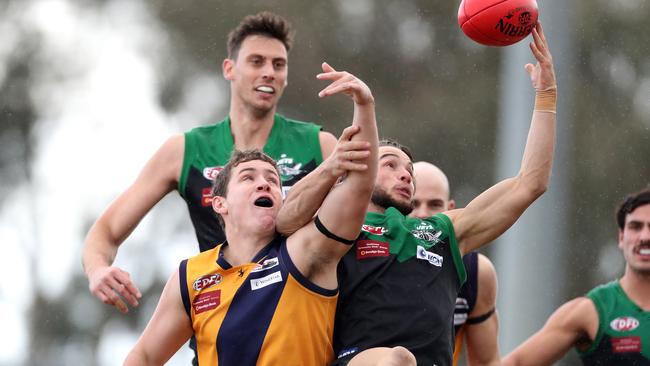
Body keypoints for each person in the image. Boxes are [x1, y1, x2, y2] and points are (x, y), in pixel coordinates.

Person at [278, 22, 557, 366]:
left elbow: (531, 183)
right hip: (359, 361)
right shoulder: (335, 230)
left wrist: (546, 96)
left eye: (409, 170)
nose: (405, 174)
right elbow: (285, 219)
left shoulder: (440, 233)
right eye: (391, 164)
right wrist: (334, 165)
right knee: (397, 361)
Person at [82, 11, 365, 313]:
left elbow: (358, 223)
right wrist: (98, 269)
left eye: (278, 64)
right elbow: (106, 231)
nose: (269, 72)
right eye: (256, 62)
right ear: (229, 69)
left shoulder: (319, 145)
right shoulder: (185, 151)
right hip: (216, 324)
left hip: (301, 325)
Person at [123, 64, 379, 365]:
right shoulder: (191, 275)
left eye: (273, 180)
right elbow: (145, 355)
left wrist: (364, 105)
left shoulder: (304, 251)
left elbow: (359, 187)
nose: (264, 183)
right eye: (248, 177)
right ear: (219, 203)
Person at [503, 188, 650, 366]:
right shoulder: (591, 311)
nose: (645, 236)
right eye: (635, 227)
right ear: (621, 237)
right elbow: (516, 362)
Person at [411, 161, 500, 366]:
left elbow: (487, 361)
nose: (423, 214)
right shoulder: (366, 256)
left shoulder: (475, 272)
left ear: (451, 209)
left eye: (434, 204)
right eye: (413, 204)